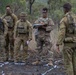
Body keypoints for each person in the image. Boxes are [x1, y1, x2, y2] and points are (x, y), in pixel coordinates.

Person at [56, 3, 76, 75]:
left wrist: (58, 43)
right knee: (75, 62)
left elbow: (62, 33)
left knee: (68, 63)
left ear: (65, 9)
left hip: (68, 44)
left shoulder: (64, 19)